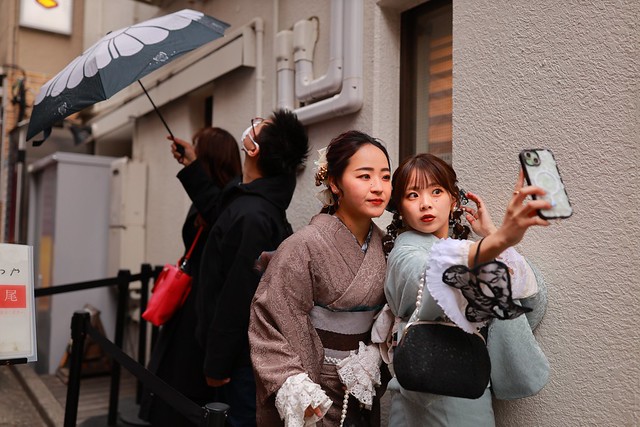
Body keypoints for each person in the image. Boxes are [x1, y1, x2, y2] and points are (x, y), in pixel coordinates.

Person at [381, 153, 551, 427]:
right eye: (413, 195)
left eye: (436, 191)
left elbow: (531, 299)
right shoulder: (405, 251)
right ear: (400, 207)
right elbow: (437, 276)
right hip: (430, 387)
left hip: (468, 382)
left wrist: (492, 234)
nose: (426, 203)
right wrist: (498, 240)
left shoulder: (466, 247)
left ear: (453, 201)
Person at [249, 130, 392, 426]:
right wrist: (295, 384)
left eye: (385, 177)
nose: (378, 187)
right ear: (334, 182)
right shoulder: (303, 246)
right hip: (316, 388)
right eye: (364, 176)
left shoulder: (388, 246)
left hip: (363, 382)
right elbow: (270, 320)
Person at [196, 109, 309, 427]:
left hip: (240, 364)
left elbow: (238, 297)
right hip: (241, 357)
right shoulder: (254, 203)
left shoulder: (252, 216)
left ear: (253, 149)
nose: (253, 125)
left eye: (259, 126)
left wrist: (217, 364)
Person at [140, 127, 242, 427]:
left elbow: (218, 215)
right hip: (187, 306)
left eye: (199, 149)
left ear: (210, 157)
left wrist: (192, 166)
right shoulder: (210, 194)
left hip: (203, 311)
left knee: (187, 390)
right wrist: (192, 166)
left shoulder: (230, 198)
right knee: (172, 384)